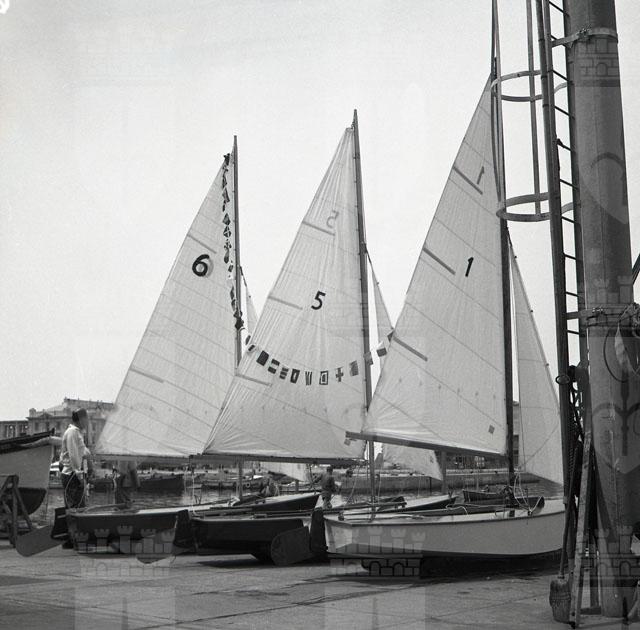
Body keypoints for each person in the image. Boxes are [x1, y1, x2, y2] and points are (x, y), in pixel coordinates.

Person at [60, 408, 92, 509]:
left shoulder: (77, 432)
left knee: (79, 506)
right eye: (87, 419)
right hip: (72, 475)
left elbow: (81, 452)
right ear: (81, 419)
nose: (87, 422)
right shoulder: (72, 432)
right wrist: (79, 475)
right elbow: (73, 455)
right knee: (75, 507)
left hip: (74, 474)